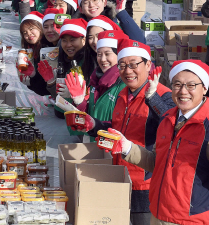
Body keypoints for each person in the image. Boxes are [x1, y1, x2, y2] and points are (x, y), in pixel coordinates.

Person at [112, 60, 209, 225]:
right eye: (177, 84)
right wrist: (127, 148)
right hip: (159, 214)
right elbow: (157, 163)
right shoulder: (168, 119)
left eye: (191, 85)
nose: (183, 91)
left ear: (204, 88)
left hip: (191, 220)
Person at [66, 39, 175, 225]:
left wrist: (152, 97)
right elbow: (118, 128)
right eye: (123, 65)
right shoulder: (122, 94)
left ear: (148, 65)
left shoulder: (164, 95)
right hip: (119, 174)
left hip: (145, 182)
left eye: (134, 65)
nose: (128, 71)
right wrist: (94, 125)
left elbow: (172, 125)